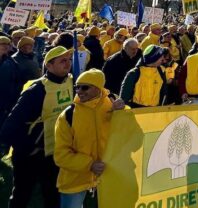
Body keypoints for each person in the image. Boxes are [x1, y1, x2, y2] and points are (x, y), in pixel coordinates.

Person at [0, 46, 74, 208]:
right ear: (49, 65)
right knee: (22, 194)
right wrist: (27, 147)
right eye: (62, 61)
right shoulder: (37, 90)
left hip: (55, 152)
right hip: (30, 154)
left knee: (52, 194)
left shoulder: (72, 83)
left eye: (69, 60)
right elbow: (12, 123)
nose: (67, 64)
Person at [54, 69, 124, 208]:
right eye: (77, 87)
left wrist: (123, 113)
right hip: (75, 180)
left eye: (85, 87)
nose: (79, 91)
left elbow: (131, 135)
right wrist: (89, 164)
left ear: (98, 88)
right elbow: (61, 155)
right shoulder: (67, 115)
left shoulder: (114, 105)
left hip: (110, 176)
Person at [0, 36, 22, 128]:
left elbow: (17, 81)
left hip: (6, 104)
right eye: (3, 44)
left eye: (8, 44)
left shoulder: (12, 62)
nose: (6, 46)